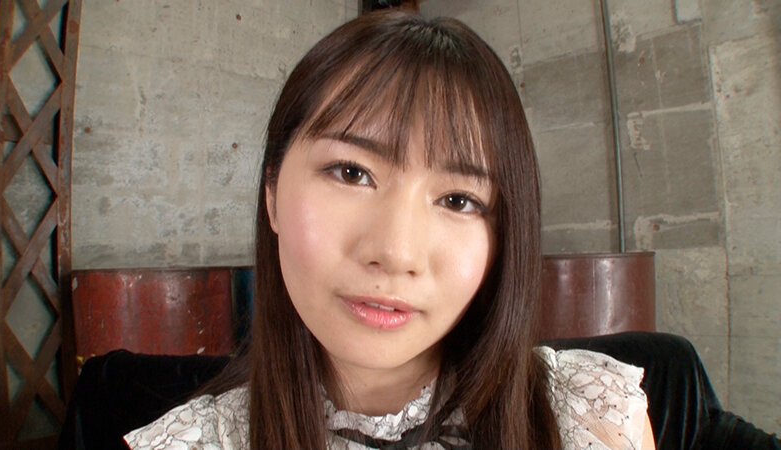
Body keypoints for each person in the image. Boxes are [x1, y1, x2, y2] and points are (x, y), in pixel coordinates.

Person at [125, 10, 654, 449]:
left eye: (458, 200)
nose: (396, 252)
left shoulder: (590, 419)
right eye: (351, 173)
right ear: (272, 194)